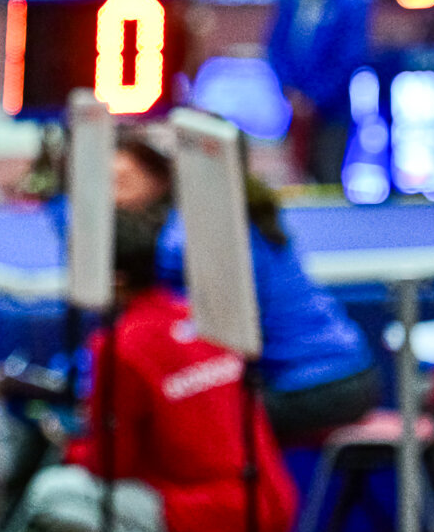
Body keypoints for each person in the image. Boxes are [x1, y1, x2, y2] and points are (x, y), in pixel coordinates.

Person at [14, 205, 298, 532]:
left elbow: (113, 464)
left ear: (115, 278)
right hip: (273, 509)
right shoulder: (199, 315)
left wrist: (69, 447)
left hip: (211, 515)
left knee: (53, 492)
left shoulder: (119, 345)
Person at [116, 139, 379, 442]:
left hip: (316, 388)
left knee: (190, 415)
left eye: (124, 181)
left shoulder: (199, 234)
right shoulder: (243, 208)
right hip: (350, 375)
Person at [265, 0, 369, 185]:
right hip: (295, 112)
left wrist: (314, 98)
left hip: (332, 113)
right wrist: (291, 91)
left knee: (328, 179)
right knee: (296, 179)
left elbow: (349, 59)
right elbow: (276, 47)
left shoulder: (347, 3)